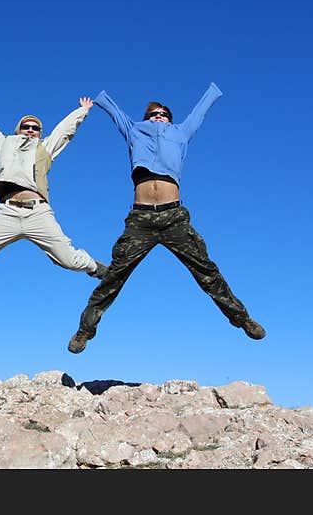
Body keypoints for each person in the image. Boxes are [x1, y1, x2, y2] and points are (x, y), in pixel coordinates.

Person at [67, 83, 266, 354]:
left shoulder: (180, 133)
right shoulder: (135, 130)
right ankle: (85, 330)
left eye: (163, 114)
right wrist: (100, 99)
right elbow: (117, 114)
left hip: (174, 218)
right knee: (115, 276)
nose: (158, 116)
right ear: (146, 118)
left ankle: (242, 319)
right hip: (141, 219)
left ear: (170, 119)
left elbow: (199, 112)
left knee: (206, 271)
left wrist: (214, 91)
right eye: (153, 114)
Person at [0, 97, 107, 301]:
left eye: (35, 128)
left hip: (38, 213)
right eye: (26, 126)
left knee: (67, 260)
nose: (31, 130)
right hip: (6, 213)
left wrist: (83, 111)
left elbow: (65, 129)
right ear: (19, 129)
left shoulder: (45, 148)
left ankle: (95, 267)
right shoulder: (5, 144)